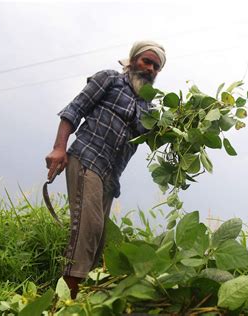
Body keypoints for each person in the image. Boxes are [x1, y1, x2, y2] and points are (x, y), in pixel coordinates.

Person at [45, 40, 166, 298]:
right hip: (87, 157)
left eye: (156, 66)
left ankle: (79, 301)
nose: (151, 69)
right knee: (88, 229)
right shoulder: (109, 79)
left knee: (98, 239)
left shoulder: (149, 109)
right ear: (133, 60)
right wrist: (59, 147)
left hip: (110, 177)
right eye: (147, 61)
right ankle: (65, 301)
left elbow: (160, 136)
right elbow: (74, 109)